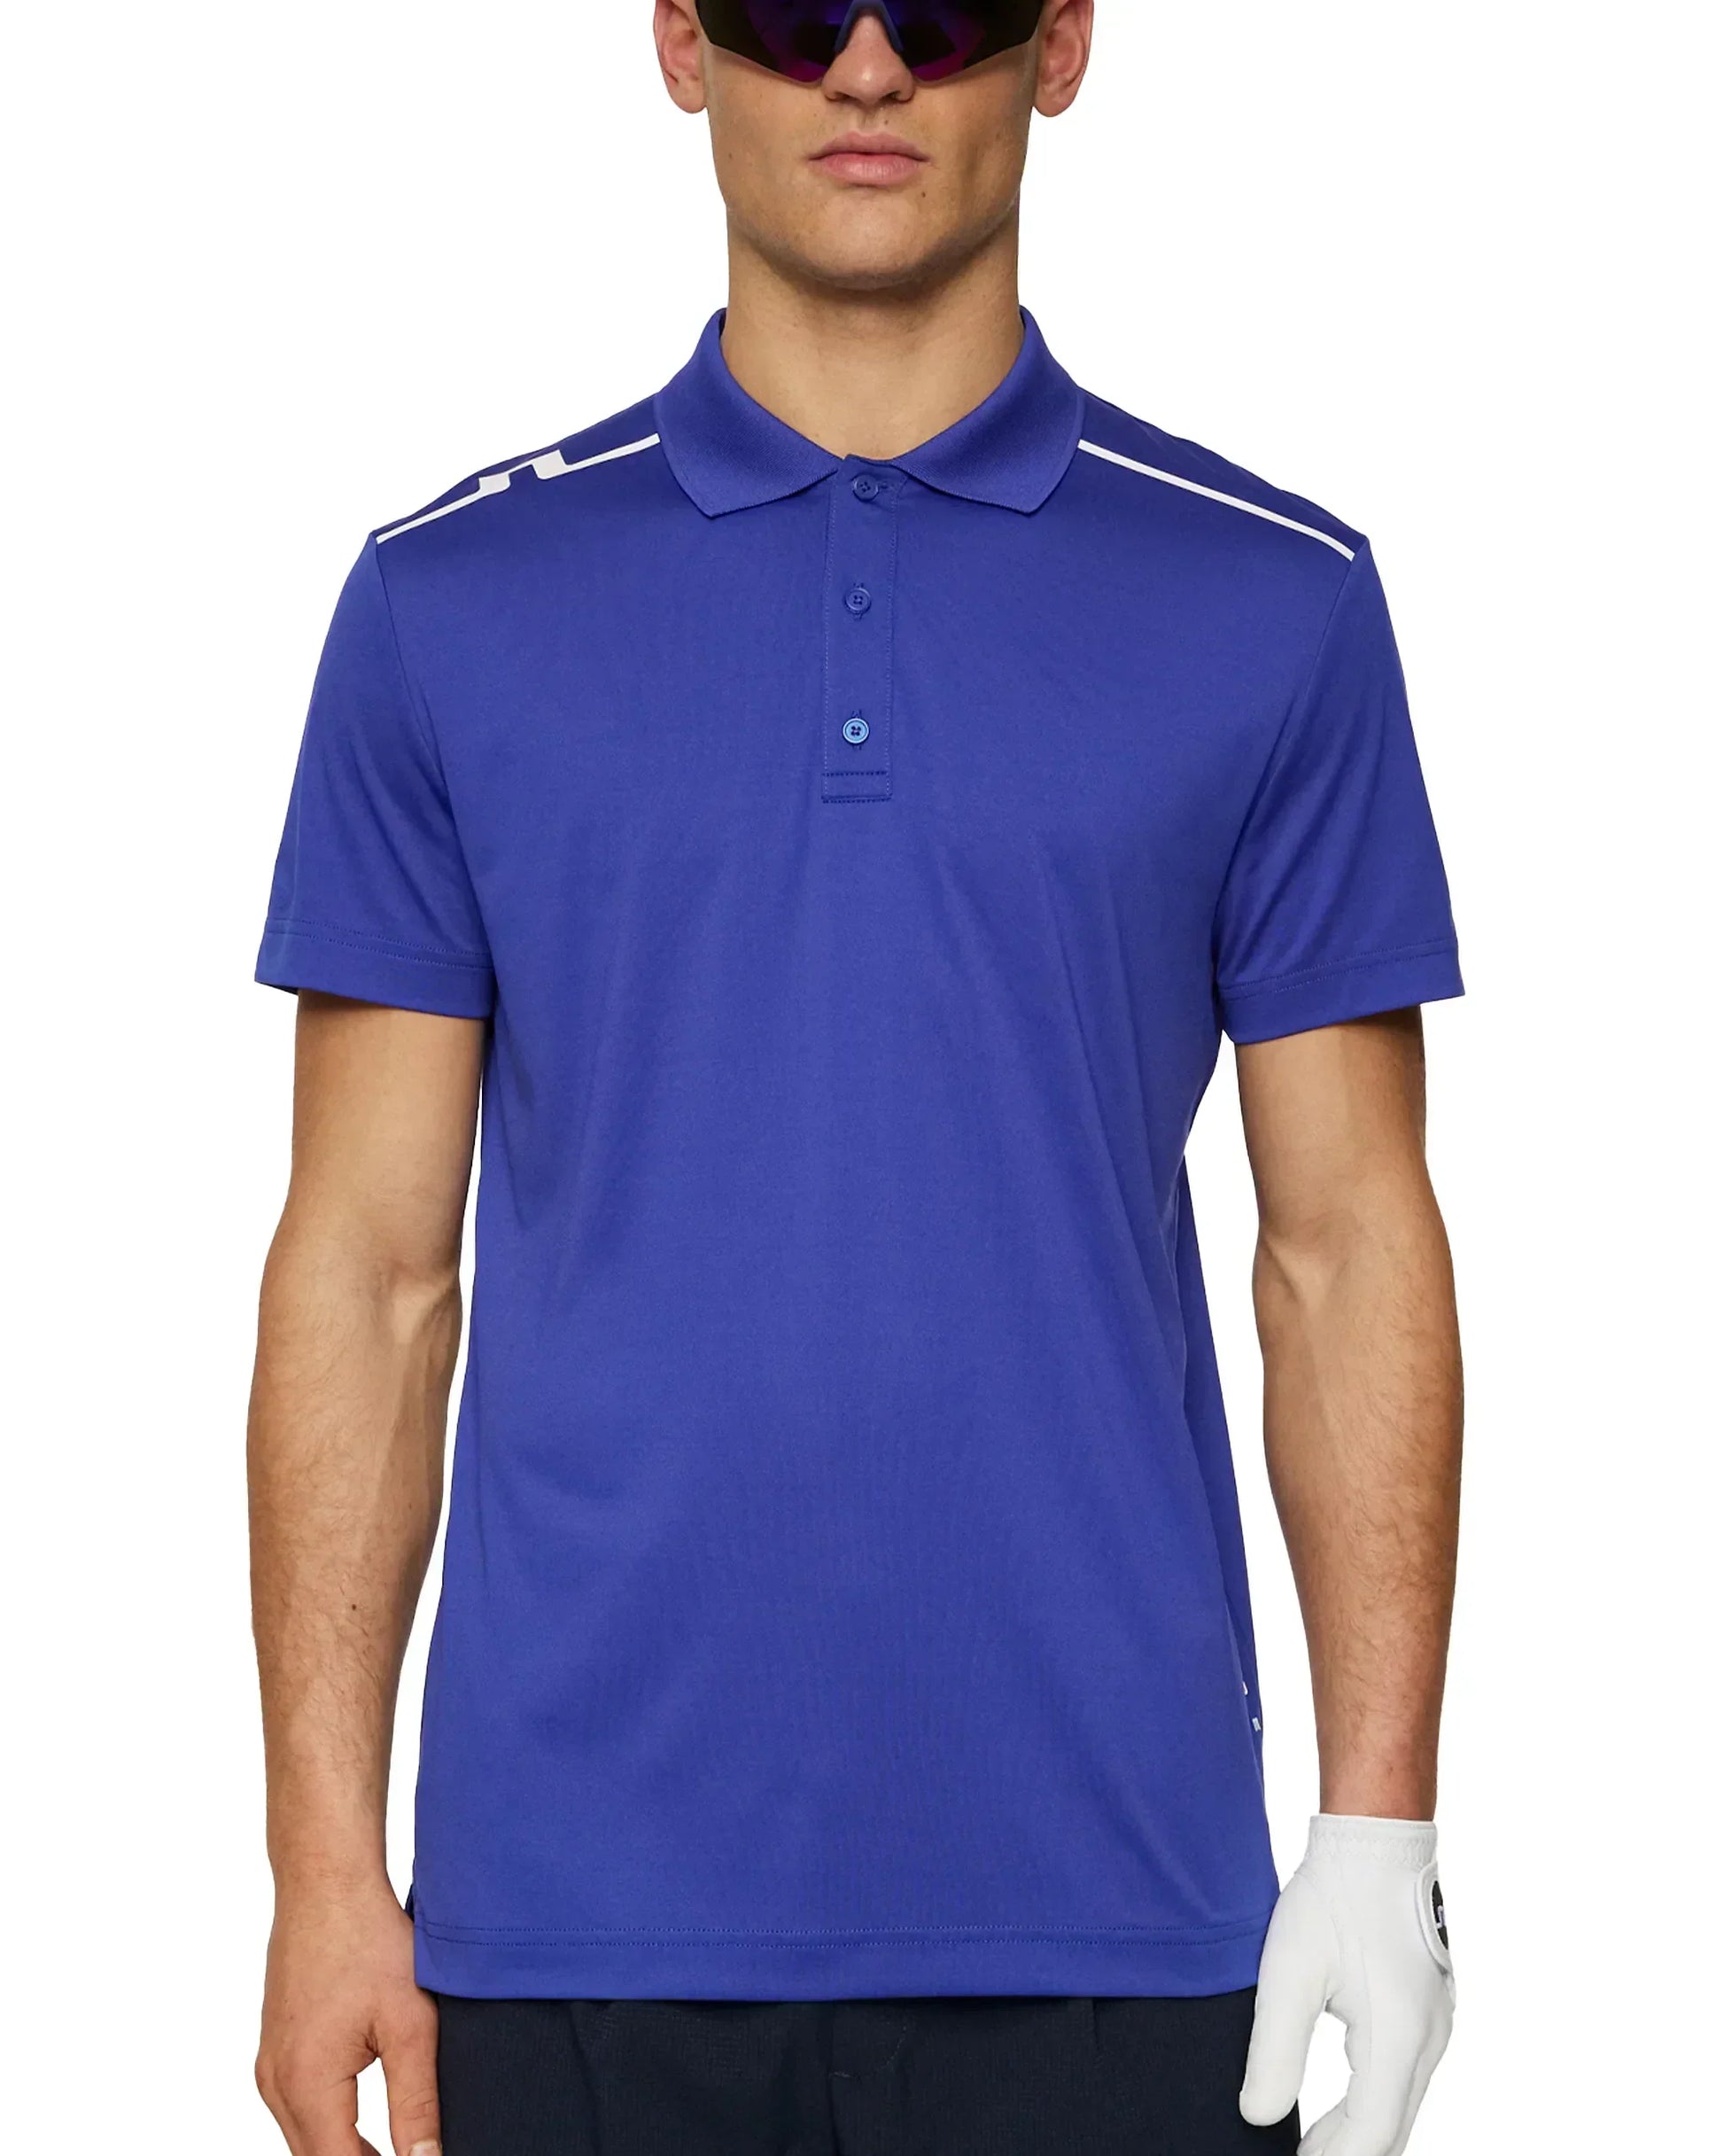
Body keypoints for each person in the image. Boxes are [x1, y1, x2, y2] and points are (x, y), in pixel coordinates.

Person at [247, 4, 1464, 2152]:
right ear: (684, 43)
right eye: (800, 7)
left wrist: (1381, 1828)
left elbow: (1346, 1247)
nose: (873, 66)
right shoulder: (450, 605)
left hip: (1121, 1921)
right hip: (569, 1932)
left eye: (949, 5)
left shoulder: (1273, 600)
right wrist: (321, 1864)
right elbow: (366, 1272)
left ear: (1061, 46)